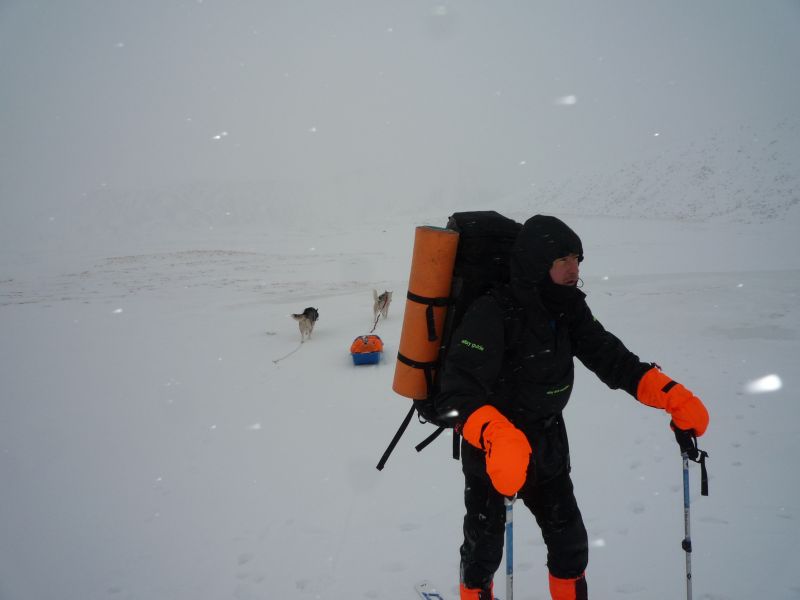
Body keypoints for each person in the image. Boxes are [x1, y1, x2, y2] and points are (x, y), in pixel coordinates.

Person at [434, 215, 709, 600]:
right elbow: (455, 393)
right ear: (536, 262)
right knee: (483, 551)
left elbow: (612, 358)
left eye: (578, 259)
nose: (574, 269)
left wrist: (669, 394)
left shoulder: (567, 308)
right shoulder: (491, 312)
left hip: (547, 444)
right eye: (563, 259)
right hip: (493, 452)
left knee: (570, 546)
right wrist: (495, 433)